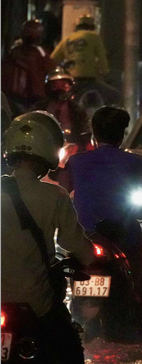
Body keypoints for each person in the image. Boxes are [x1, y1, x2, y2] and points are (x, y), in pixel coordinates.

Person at [57, 106, 142, 329]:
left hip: (84, 240)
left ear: (94, 134)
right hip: (123, 237)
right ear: (123, 134)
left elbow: (60, 193)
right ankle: (135, 297)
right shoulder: (136, 162)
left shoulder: (75, 162)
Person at [1, 111, 95, 363]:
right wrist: (93, 257)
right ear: (48, 151)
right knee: (69, 350)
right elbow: (75, 245)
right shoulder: (55, 196)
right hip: (35, 305)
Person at [50, 14, 121, 106]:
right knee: (115, 96)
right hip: (89, 80)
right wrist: (105, 73)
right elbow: (102, 57)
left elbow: (52, 59)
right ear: (92, 26)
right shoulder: (94, 37)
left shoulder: (67, 39)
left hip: (71, 81)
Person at [1, 19, 57, 114]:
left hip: (15, 96)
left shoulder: (14, 51)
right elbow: (50, 69)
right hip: (32, 97)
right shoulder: (40, 53)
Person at [30, 68, 90, 146]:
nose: (60, 89)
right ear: (49, 88)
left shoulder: (78, 111)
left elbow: (85, 131)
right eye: (55, 86)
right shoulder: (38, 109)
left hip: (72, 150)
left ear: (70, 88)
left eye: (64, 85)